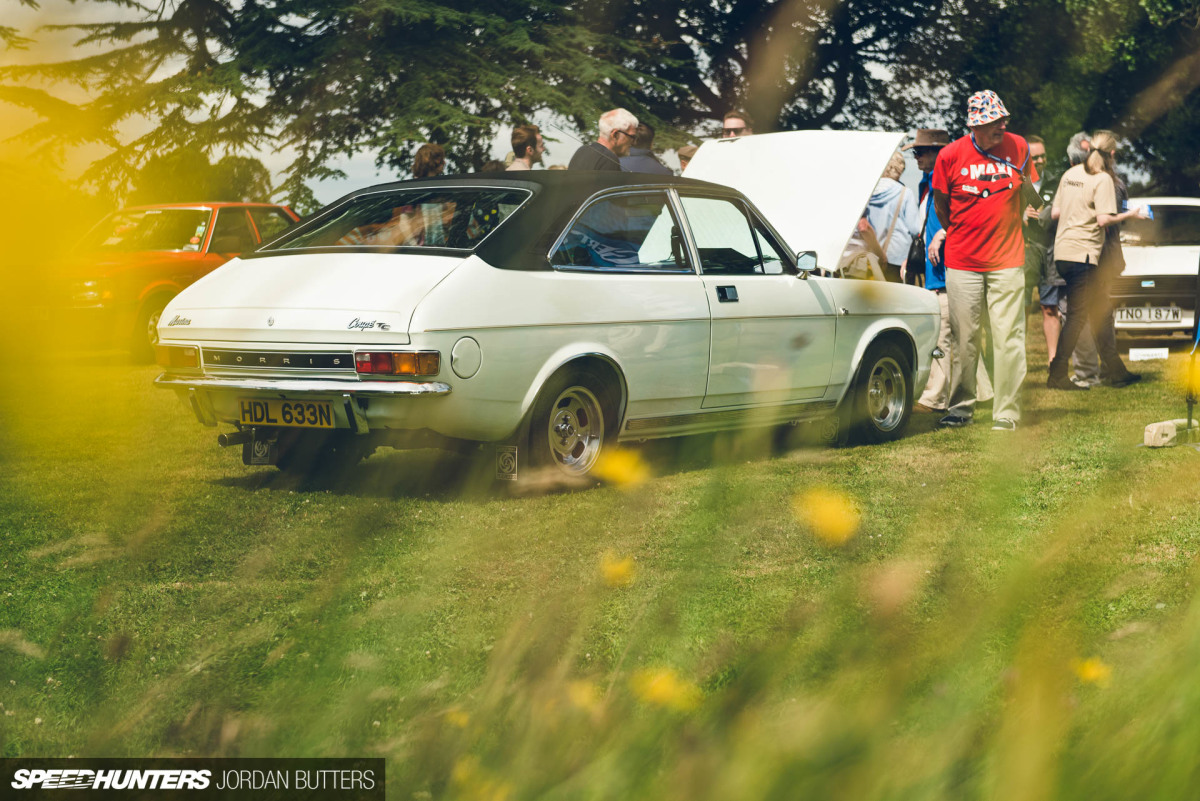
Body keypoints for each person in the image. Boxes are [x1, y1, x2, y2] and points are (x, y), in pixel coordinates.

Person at [932, 90, 1039, 432]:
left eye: (1003, 119)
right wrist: (960, 233)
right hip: (963, 261)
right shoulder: (949, 155)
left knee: (1008, 337)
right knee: (964, 338)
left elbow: (1028, 192)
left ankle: (1006, 412)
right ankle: (961, 407)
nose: (1001, 126)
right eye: (994, 121)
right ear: (975, 126)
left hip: (1008, 259)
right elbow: (941, 206)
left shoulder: (1019, 147)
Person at [1046, 131, 1147, 390]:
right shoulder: (1102, 179)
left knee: (1100, 310)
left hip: (1063, 252)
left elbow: (1055, 213)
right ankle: (1057, 374)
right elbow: (1104, 220)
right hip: (1084, 254)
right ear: (1112, 154)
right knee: (1078, 316)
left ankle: (1116, 370)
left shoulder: (1070, 174)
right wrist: (1131, 215)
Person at [909, 129, 995, 413]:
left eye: (921, 152)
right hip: (937, 271)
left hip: (953, 269)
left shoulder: (954, 179)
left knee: (941, 334)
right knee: (960, 334)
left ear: (939, 153)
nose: (916, 157)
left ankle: (934, 398)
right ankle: (984, 392)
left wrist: (943, 233)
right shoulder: (926, 183)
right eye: (915, 152)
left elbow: (973, 213)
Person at [863, 151, 920, 283]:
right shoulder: (905, 193)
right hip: (898, 258)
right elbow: (914, 228)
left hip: (871, 255)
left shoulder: (868, 192)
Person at [568, 108, 637, 171]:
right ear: (615, 135)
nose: (633, 142)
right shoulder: (609, 160)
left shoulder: (582, 150)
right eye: (632, 137)